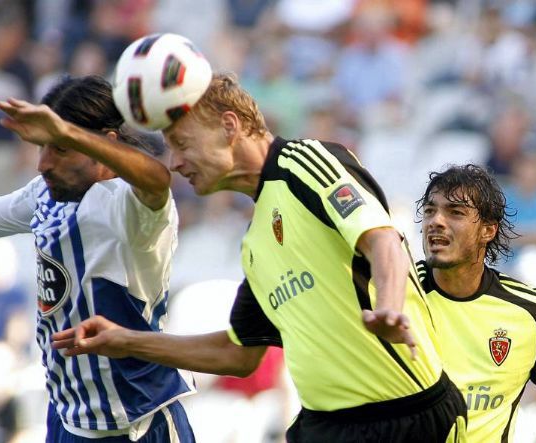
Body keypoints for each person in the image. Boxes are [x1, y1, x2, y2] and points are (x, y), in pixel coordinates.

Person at [53, 71, 467, 442]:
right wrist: (125, 341)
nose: (175, 163)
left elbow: (382, 241)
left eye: (181, 143)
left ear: (229, 126)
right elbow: (238, 354)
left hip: (407, 419)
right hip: (324, 426)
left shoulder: (306, 163)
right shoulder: (255, 246)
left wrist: (391, 308)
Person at [0, 75, 196, 442]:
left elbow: (157, 180)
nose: (43, 164)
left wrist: (72, 134)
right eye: (42, 148)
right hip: (68, 418)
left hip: (134, 423)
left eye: (60, 149)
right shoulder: (45, 195)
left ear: (105, 145)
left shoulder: (130, 207)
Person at [415, 164, 536, 442]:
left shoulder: (532, 314)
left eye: (455, 212)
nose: (436, 221)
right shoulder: (393, 296)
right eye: (430, 210)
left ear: (488, 230)